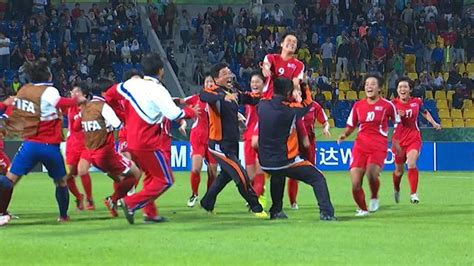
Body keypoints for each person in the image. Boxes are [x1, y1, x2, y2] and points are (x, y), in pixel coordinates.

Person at [105, 53, 199, 224]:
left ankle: (150, 213)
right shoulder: (158, 89)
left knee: (151, 176)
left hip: (131, 141)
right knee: (165, 179)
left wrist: (122, 114)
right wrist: (192, 112)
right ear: (161, 71)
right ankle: (131, 202)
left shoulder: (131, 84)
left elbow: (110, 94)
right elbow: (173, 114)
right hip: (147, 142)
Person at [0, 58, 86, 225]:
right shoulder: (49, 91)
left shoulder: (24, 91)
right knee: (61, 181)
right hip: (49, 146)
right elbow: (61, 103)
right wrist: (77, 100)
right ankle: (63, 216)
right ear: (47, 76)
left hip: (29, 144)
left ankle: (1, 214)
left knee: (10, 179)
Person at [257, 77, 335, 220]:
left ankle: (276, 211)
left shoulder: (262, 105)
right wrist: (303, 84)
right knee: (318, 178)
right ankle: (327, 213)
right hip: (285, 160)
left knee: (278, 176)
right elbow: (307, 103)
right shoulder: (291, 110)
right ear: (289, 93)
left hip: (265, 162)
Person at [199, 63, 266, 218]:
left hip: (232, 144)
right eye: (224, 74)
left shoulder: (234, 92)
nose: (229, 76)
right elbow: (203, 95)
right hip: (218, 145)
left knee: (226, 176)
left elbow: (250, 98)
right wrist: (223, 96)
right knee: (241, 175)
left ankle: (206, 202)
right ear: (216, 79)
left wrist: (267, 96)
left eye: (229, 72)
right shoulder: (214, 92)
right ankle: (256, 207)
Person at [337, 74, 401, 217]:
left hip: (378, 144)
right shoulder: (358, 105)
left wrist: (396, 141)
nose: (369, 87)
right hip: (360, 145)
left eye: (372, 84)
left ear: (379, 88)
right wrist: (344, 135)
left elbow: (397, 122)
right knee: (355, 182)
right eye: (366, 84)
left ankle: (374, 196)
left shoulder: (387, 105)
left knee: (372, 174)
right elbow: (351, 125)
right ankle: (363, 209)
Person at [77, 78, 141, 218]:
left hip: (93, 156)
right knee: (135, 173)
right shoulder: (103, 106)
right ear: (105, 92)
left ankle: (115, 204)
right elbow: (118, 124)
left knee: (120, 179)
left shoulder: (85, 108)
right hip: (106, 153)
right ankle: (114, 200)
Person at [392, 77, 441, 204]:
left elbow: (424, 113)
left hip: (413, 137)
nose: (402, 89)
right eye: (400, 87)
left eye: (405, 87)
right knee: (398, 171)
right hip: (398, 141)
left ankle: (413, 193)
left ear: (410, 89)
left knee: (412, 163)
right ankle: (396, 189)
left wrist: (434, 123)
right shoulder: (392, 104)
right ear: (397, 90)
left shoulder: (417, 102)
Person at [287, 83, 331, 209]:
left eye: (301, 92)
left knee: (314, 173)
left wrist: (326, 128)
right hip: (294, 144)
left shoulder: (314, 106)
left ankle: (321, 201)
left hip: (310, 144)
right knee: (293, 174)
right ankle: (293, 202)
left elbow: (325, 121)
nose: (299, 95)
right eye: (296, 92)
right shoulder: (289, 107)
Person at [183, 73, 218, 207]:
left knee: (213, 172)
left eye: (211, 82)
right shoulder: (197, 98)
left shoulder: (219, 99)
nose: (209, 83)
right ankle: (194, 194)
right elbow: (181, 102)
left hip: (213, 138)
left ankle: (209, 197)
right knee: (196, 168)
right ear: (204, 84)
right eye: (207, 81)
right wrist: (187, 114)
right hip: (198, 136)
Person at [64, 82, 94, 211]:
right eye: (72, 91)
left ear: (85, 95)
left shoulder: (90, 107)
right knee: (68, 176)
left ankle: (89, 199)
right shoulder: (69, 106)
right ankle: (79, 197)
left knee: (83, 171)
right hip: (72, 145)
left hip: (86, 143)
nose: (74, 94)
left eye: (77, 92)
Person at [243, 72, 266, 202]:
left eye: (257, 81)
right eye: (252, 82)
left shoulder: (268, 99)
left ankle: (259, 200)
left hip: (263, 138)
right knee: (251, 175)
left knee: (260, 172)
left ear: (264, 84)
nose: (254, 84)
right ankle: (257, 193)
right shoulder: (247, 97)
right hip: (248, 137)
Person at [261, 32, 304, 99]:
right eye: (289, 40)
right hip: (268, 99)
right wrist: (266, 69)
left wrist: (296, 90)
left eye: (294, 42)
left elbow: (296, 82)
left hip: (286, 102)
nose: (292, 43)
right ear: (282, 44)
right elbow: (266, 66)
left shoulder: (299, 65)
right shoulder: (271, 57)